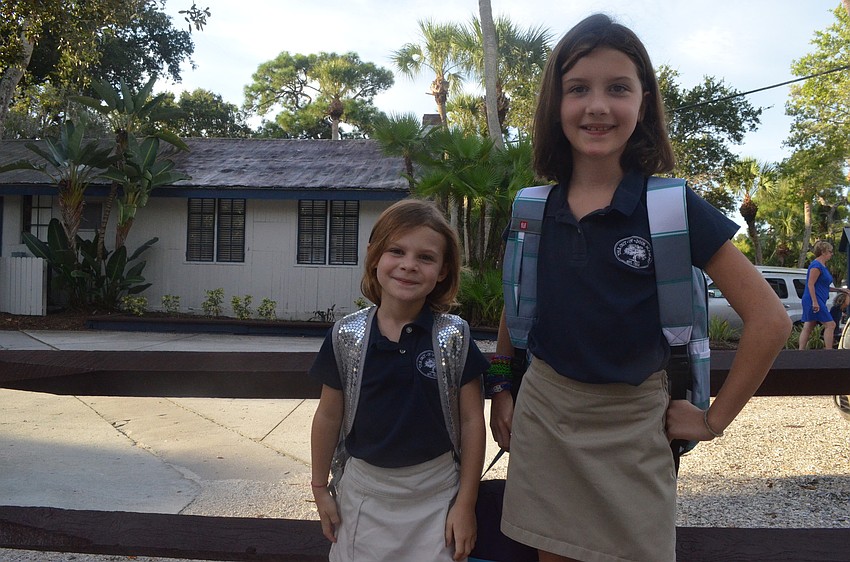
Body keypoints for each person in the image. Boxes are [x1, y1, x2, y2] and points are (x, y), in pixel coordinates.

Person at [487, 14, 792, 562]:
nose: (597, 105)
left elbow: (770, 320)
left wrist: (712, 419)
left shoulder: (673, 207)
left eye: (618, 88)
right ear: (556, 103)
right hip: (544, 416)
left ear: (644, 103)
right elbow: (518, 300)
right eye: (578, 88)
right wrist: (503, 387)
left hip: (636, 428)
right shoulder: (533, 208)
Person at [309, 198, 488, 562]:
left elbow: (471, 422)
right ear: (375, 257)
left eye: (426, 257)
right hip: (363, 495)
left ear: (442, 271)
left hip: (437, 495)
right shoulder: (347, 336)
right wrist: (319, 488)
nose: (409, 265)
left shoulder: (454, 337)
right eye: (396, 251)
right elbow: (328, 416)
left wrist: (466, 503)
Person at [799, 240, 849, 349]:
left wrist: (839, 289)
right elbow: (810, 284)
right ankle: (828, 351)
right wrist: (815, 302)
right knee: (830, 325)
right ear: (823, 252)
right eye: (830, 252)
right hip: (813, 299)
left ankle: (800, 351)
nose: (831, 254)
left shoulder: (823, 266)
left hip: (819, 298)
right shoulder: (816, 266)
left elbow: (823, 286)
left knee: (809, 325)